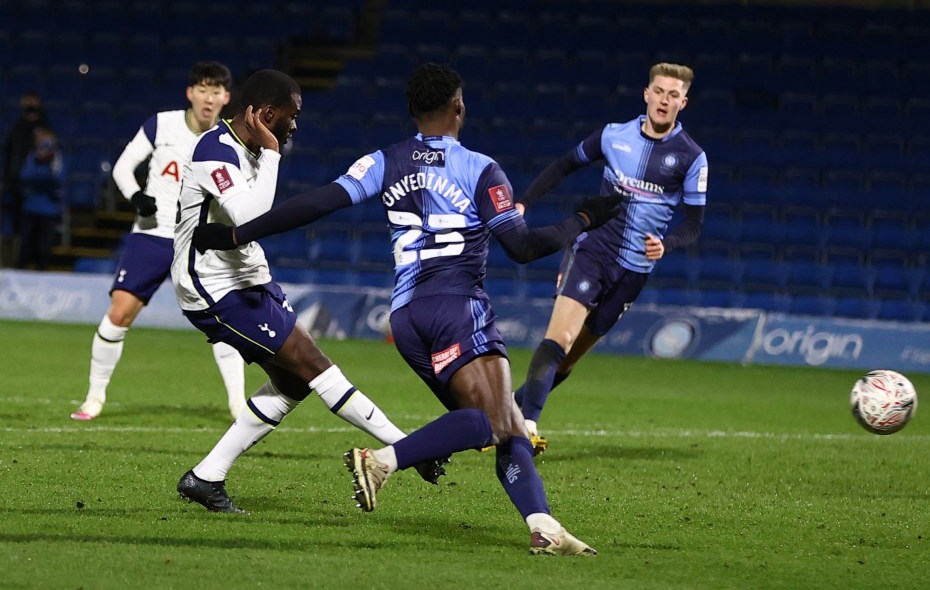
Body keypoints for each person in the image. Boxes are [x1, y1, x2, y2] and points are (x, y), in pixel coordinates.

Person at [191, 63, 622, 554]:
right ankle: (382, 461)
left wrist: (236, 234)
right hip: (456, 305)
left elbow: (317, 203)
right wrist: (585, 218)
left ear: (413, 111)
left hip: (408, 318)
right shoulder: (480, 168)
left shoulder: (384, 160)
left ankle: (543, 526)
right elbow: (521, 247)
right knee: (497, 419)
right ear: (458, 106)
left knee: (500, 423)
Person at [171, 68, 445, 514]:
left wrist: (270, 151)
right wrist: (275, 153)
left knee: (295, 381)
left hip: (246, 278)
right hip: (212, 286)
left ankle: (206, 477)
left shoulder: (249, 147)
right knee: (316, 365)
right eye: (290, 117)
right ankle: (408, 449)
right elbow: (247, 217)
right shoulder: (215, 150)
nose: (295, 126)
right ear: (264, 113)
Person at [512, 62, 707, 453]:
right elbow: (564, 165)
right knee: (560, 337)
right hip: (593, 250)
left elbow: (694, 223)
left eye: (673, 95)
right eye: (659, 91)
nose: (664, 100)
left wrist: (666, 245)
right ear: (646, 94)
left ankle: (502, 416)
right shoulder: (613, 136)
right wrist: (523, 202)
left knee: (567, 361)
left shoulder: (692, 157)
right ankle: (526, 427)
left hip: (635, 270)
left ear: (683, 103)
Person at [70, 62, 247, 421]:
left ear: (226, 97)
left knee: (223, 324)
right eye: (202, 89)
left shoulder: (230, 141)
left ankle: (237, 405)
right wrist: (136, 197)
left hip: (199, 242)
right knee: (118, 314)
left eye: (216, 91)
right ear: (190, 92)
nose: (208, 98)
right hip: (153, 234)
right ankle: (94, 398)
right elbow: (122, 167)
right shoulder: (162, 124)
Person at [2, 91, 49, 265]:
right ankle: (19, 265)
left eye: (33, 101)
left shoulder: (45, 128)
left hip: (41, 193)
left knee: (40, 234)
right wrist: (10, 181)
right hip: (18, 189)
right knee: (20, 231)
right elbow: (8, 155)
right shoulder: (16, 128)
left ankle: (38, 265)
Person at [17, 126, 64, 270]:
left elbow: (57, 180)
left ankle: (41, 271)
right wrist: (42, 180)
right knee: (26, 243)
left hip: (48, 209)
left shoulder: (56, 158)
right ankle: (22, 270)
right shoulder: (32, 157)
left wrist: (39, 183)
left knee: (43, 246)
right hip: (30, 207)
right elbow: (25, 177)